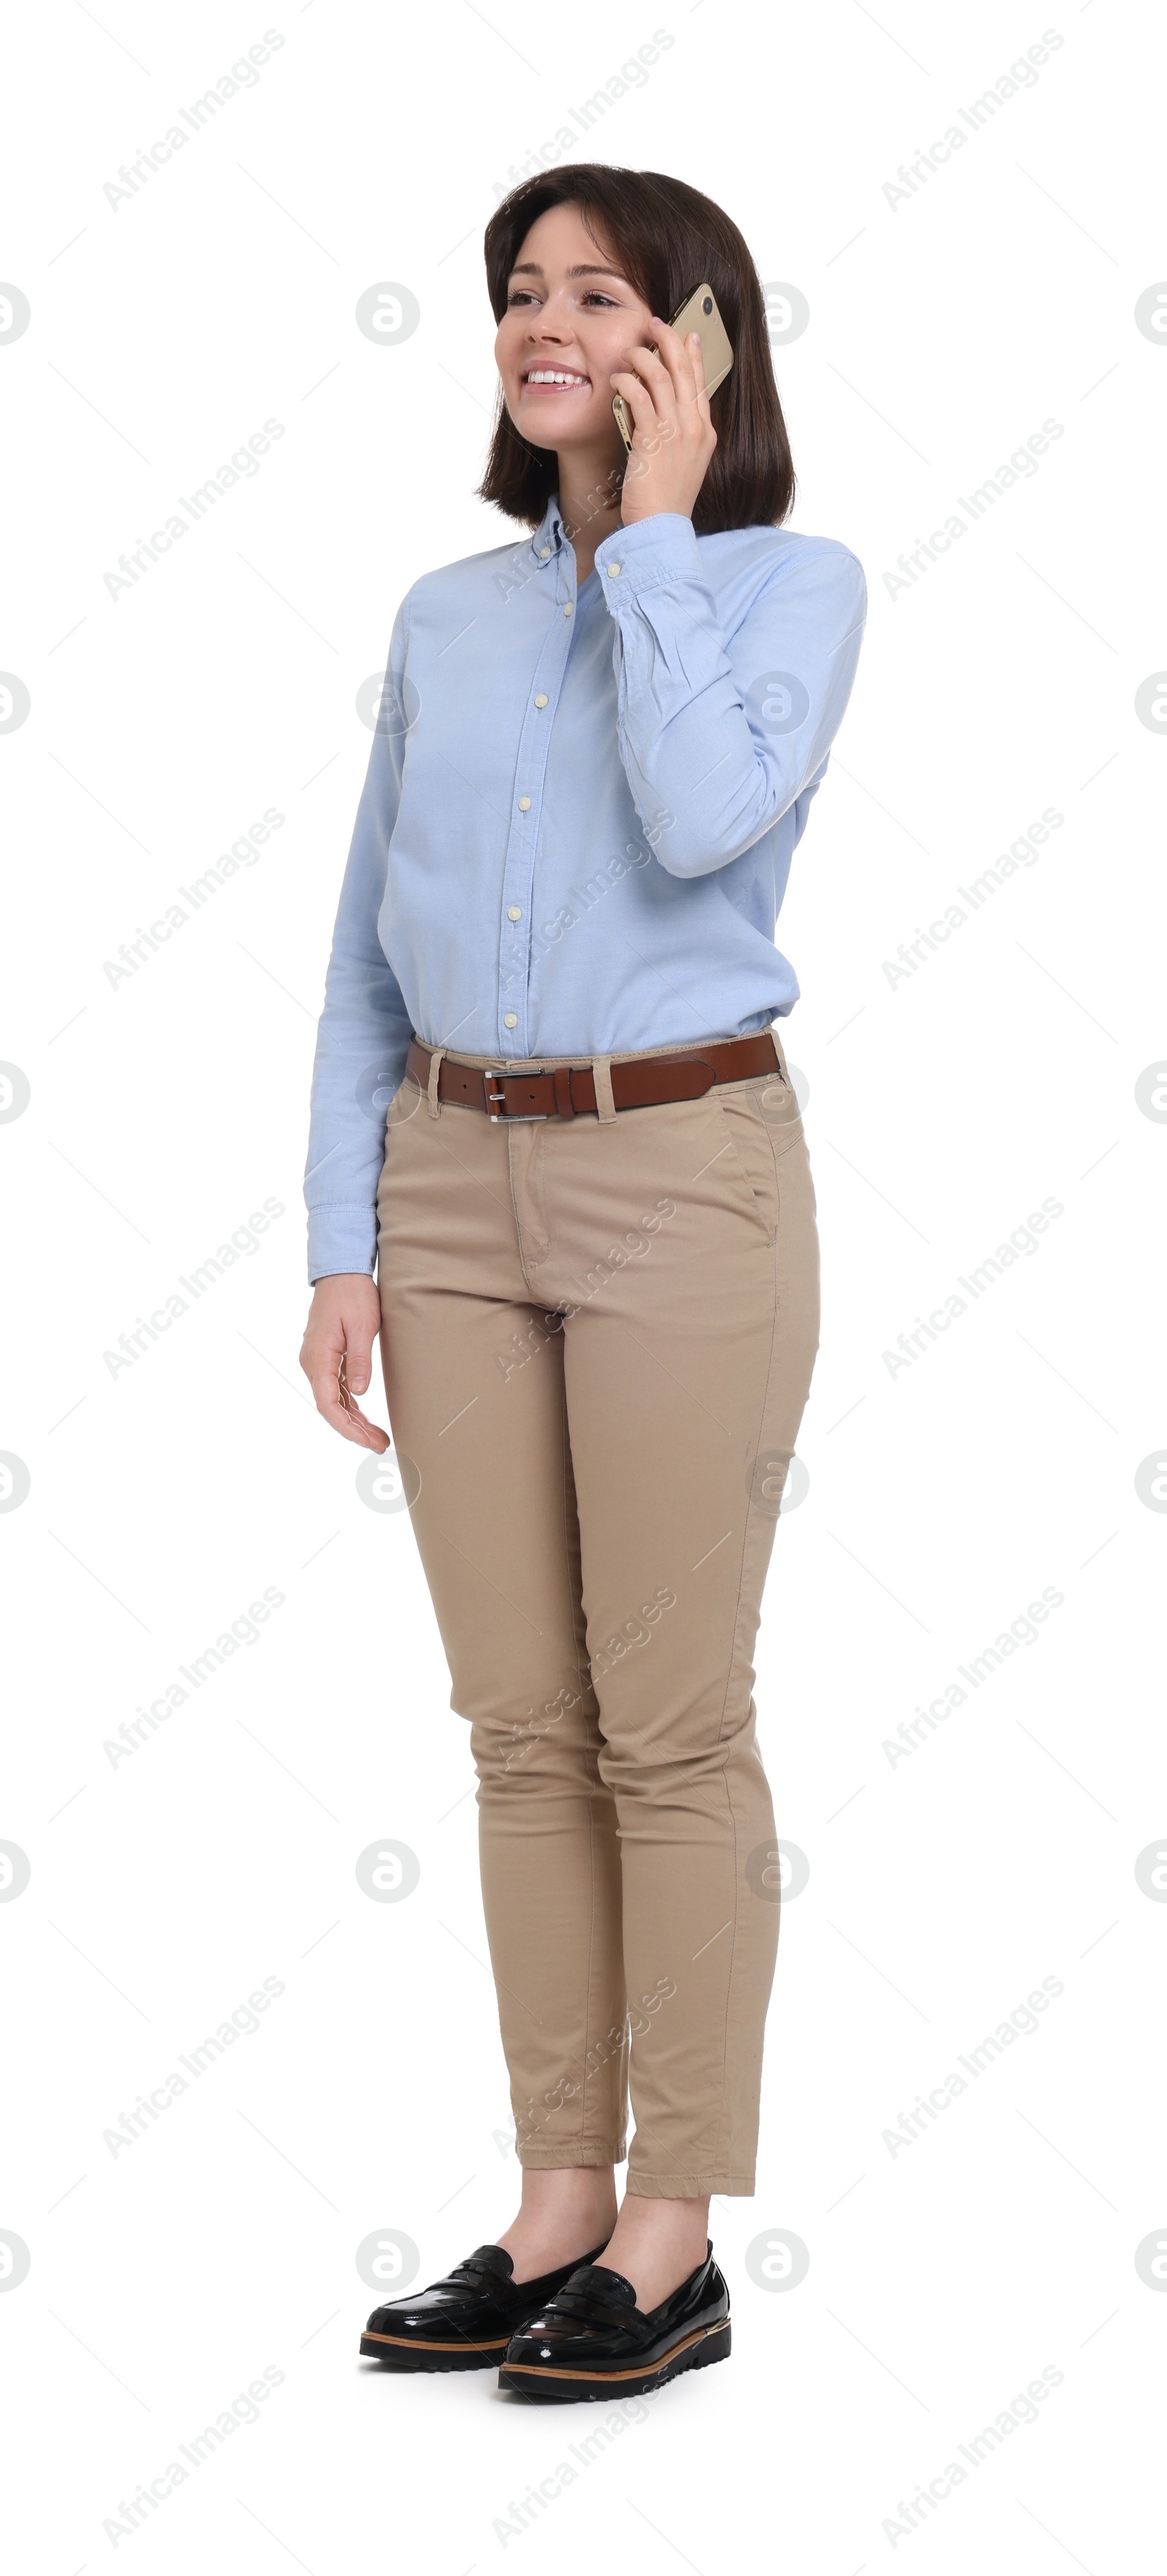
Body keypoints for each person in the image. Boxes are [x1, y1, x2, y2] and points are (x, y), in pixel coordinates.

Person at [300, 163, 866, 2403]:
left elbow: (712, 813)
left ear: (694, 339)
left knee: (671, 1722)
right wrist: (345, 1238)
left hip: (682, 1180)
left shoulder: (783, 585)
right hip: (450, 1181)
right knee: (519, 1727)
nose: (542, 322)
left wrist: (649, 531)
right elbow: (359, 952)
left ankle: (671, 2229)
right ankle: (552, 2202)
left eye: (598, 294)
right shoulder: (444, 619)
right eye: (517, 292)